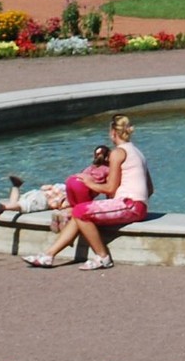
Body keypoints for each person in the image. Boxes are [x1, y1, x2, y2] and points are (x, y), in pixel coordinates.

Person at [27, 114, 148, 269]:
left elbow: (110, 188)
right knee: (80, 213)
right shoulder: (138, 153)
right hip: (137, 205)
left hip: (129, 205)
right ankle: (48, 256)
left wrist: (89, 182)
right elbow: (149, 188)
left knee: (79, 212)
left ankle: (103, 257)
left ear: (112, 133)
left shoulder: (118, 153)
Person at [0, 143, 111, 218]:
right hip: (50, 197)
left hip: (56, 189)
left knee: (18, 204)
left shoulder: (89, 168)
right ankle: (4, 206)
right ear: (108, 157)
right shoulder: (108, 170)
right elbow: (108, 189)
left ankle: (15, 187)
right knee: (23, 206)